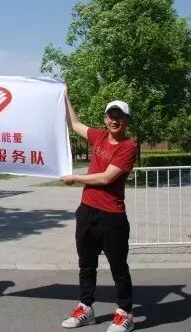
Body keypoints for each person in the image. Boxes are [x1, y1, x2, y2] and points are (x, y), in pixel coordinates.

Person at [60, 93, 137, 332]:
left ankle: (124, 313)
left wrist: (75, 178)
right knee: (86, 264)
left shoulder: (128, 146)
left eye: (120, 117)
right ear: (105, 119)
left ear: (127, 121)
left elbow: (106, 178)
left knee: (118, 268)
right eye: (111, 116)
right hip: (87, 211)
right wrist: (65, 95)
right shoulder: (99, 136)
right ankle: (86, 308)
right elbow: (74, 124)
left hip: (112, 216)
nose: (114, 120)